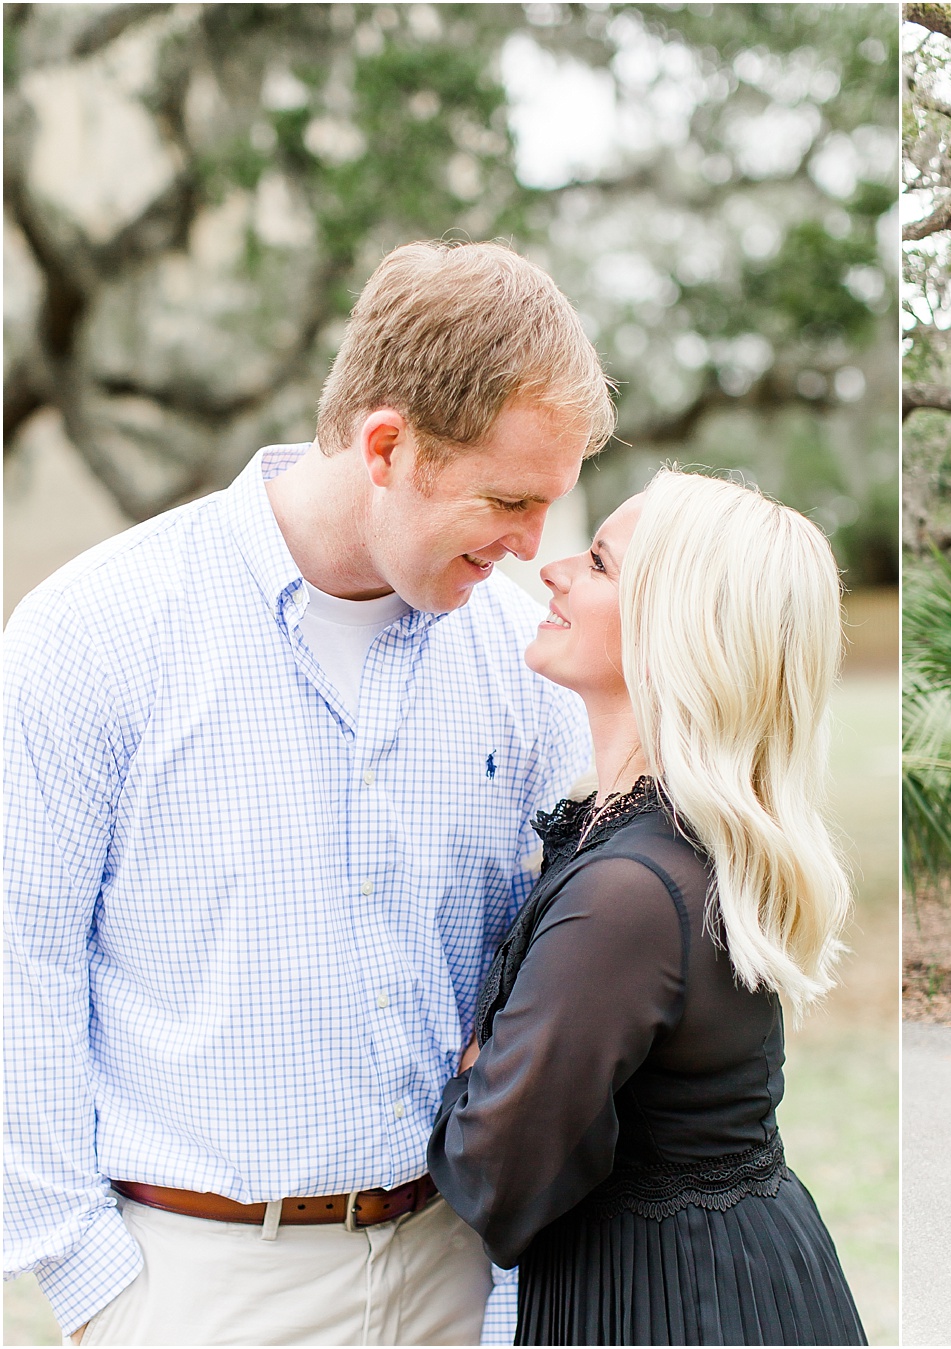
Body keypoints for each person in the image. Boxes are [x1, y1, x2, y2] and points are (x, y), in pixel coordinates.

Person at [4, 240, 610, 1345]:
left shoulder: (529, 666)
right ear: (388, 445)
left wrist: (512, 1291)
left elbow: (541, 1003)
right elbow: (17, 964)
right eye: (510, 500)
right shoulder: (89, 635)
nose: (533, 546)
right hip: (198, 1283)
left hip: (456, 1273)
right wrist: (94, 1281)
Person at [427, 469, 866, 1346]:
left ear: (674, 629)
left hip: (666, 1302)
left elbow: (493, 1177)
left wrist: (481, 1067)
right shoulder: (676, 841)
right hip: (732, 1274)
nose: (550, 568)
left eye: (596, 562)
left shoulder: (630, 892)